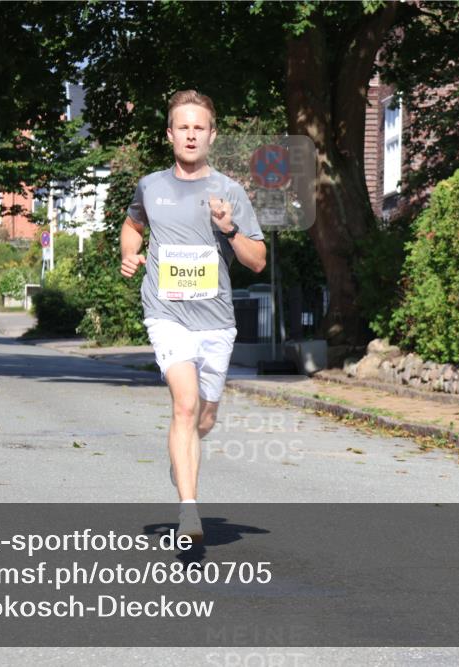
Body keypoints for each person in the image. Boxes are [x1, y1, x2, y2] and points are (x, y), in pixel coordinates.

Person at [120, 90, 266, 540]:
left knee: (204, 418)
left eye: (198, 127)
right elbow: (133, 225)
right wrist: (130, 255)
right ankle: (189, 509)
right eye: (182, 127)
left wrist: (230, 229)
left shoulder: (229, 191)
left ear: (211, 135)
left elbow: (257, 261)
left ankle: (181, 458)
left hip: (217, 320)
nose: (190, 134)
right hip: (166, 313)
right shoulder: (150, 186)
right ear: (169, 135)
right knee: (184, 405)